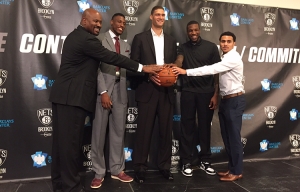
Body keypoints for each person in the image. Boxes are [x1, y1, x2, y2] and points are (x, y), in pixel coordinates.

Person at [49, 8, 162, 192]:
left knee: (61, 145)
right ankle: (71, 187)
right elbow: (111, 57)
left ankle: (60, 184)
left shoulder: (75, 36)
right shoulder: (86, 40)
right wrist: (143, 68)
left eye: (100, 22)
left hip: (64, 97)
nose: (98, 25)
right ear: (84, 20)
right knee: (69, 147)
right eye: (95, 22)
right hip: (71, 98)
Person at [173, 31, 246, 182]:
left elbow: (210, 69)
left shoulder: (233, 58)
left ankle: (237, 171)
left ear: (234, 43)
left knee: (234, 139)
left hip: (235, 101)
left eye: (229, 41)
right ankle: (232, 168)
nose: (225, 44)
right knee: (227, 138)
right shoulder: (226, 56)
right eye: (223, 41)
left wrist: (186, 71)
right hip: (226, 100)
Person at [130, 5, 177, 183]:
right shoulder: (140, 38)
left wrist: (170, 76)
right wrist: (149, 74)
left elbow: (173, 65)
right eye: (157, 14)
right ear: (151, 17)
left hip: (166, 92)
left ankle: (164, 166)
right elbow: (133, 65)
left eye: (163, 15)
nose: (160, 17)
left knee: (166, 132)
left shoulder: (172, 40)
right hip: (147, 90)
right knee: (143, 132)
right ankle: (140, 168)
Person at [90, 13, 133, 189]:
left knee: (118, 132)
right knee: (98, 133)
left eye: (124, 22)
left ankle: (117, 169)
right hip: (104, 91)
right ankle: (99, 172)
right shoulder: (99, 40)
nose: (122, 24)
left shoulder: (125, 45)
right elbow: (96, 68)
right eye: (119, 21)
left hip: (121, 90)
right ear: (112, 22)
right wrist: (103, 92)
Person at [174, 21, 220, 177]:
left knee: (205, 127)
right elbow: (180, 60)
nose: (193, 32)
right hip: (188, 91)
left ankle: (205, 160)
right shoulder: (183, 47)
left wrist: (215, 93)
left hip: (207, 93)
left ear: (200, 30)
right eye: (190, 30)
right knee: (187, 127)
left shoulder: (211, 47)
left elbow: (217, 72)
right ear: (187, 32)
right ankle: (186, 161)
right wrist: (175, 66)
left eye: (195, 30)